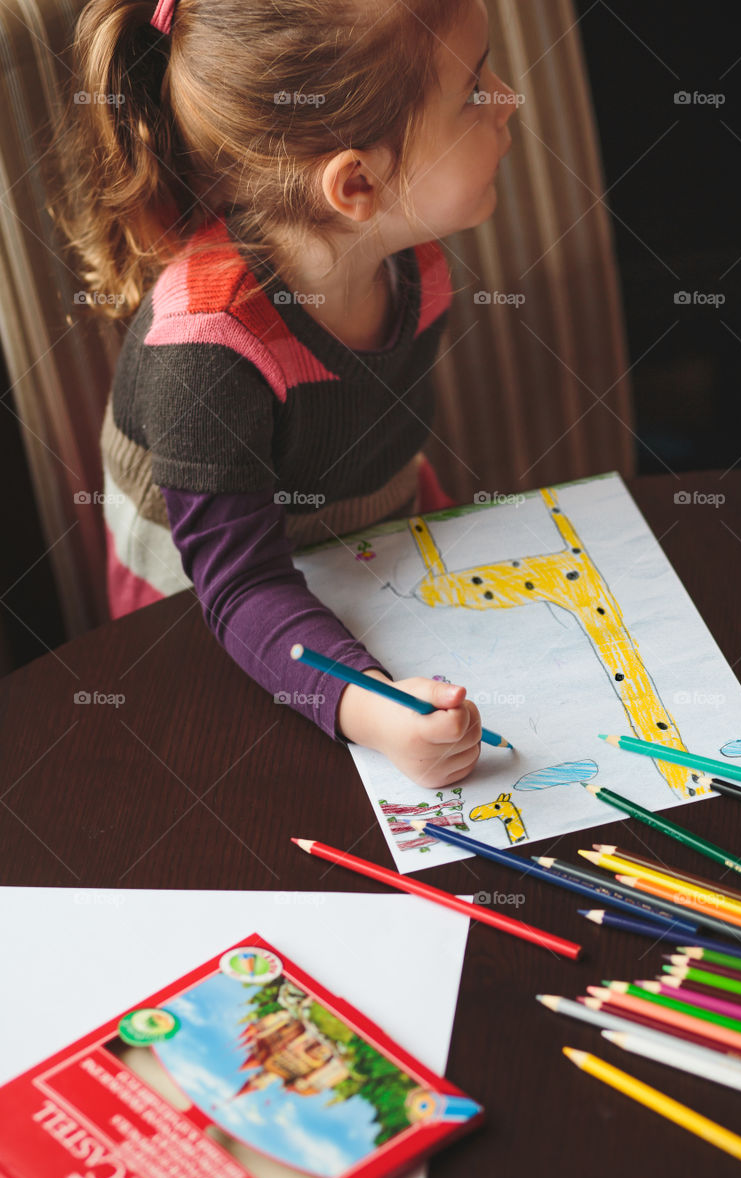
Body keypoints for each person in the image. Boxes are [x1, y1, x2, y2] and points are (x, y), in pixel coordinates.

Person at [54, 0, 517, 787]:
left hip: (365, 541)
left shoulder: (417, 266)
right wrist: (373, 705)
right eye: (475, 90)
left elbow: (374, 443)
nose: (507, 98)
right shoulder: (204, 353)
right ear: (357, 183)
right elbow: (239, 589)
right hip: (218, 618)